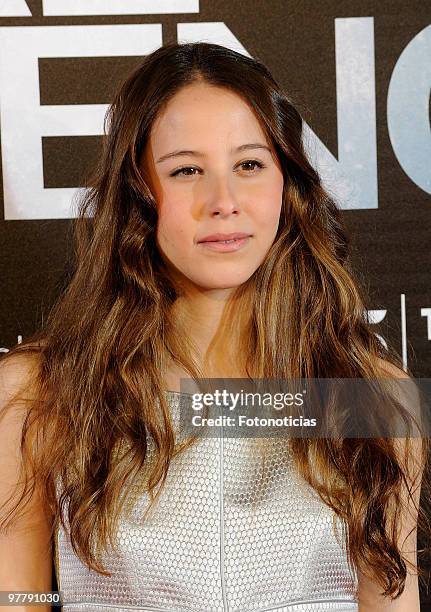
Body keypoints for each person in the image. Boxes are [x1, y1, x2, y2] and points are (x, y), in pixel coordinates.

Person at [0, 41, 429, 612]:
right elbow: (20, 598)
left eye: (249, 165)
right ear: (138, 193)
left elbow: (391, 602)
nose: (223, 201)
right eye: (186, 170)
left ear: (287, 186)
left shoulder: (372, 400)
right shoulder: (39, 393)